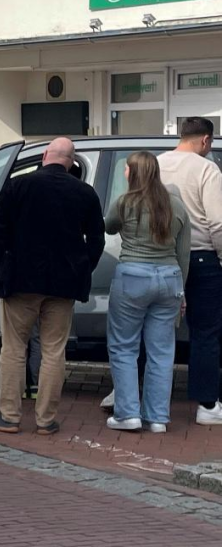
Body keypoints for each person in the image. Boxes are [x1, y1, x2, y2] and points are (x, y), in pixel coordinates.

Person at [0, 137, 105, 436]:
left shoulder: (18, 186)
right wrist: (81, 268)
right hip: (64, 284)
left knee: (13, 349)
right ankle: (46, 420)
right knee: (54, 350)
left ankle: (10, 416)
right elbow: (97, 241)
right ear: (72, 161)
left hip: (21, 281)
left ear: (46, 155)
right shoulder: (85, 192)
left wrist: (2, 271)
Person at [104, 151, 191, 433]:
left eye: (127, 170)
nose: (125, 174)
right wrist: (182, 292)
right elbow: (184, 253)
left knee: (124, 346)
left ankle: (128, 413)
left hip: (133, 276)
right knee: (162, 352)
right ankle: (157, 419)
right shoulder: (176, 205)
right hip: (169, 279)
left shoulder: (125, 202)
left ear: (134, 173)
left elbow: (107, 226)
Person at [156, 117, 222, 426]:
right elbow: (218, 222)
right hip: (201, 258)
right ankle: (207, 406)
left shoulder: (156, 164)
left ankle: (134, 397)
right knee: (205, 333)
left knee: (152, 330)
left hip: (161, 257)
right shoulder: (206, 169)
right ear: (206, 140)